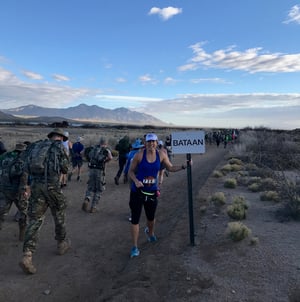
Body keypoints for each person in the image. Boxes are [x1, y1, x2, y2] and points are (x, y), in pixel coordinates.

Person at [128, 133, 189, 258]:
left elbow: (170, 168)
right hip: (137, 192)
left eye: (153, 142)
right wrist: (136, 181)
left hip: (152, 192)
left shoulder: (161, 155)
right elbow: (130, 171)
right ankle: (134, 247)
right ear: (145, 143)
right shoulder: (139, 155)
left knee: (151, 218)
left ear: (156, 143)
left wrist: (184, 166)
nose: (151, 144)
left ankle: (150, 233)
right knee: (135, 219)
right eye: (149, 142)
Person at [19, 128, 70, 274]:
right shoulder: (59, 147)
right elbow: (66, 169)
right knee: (59, 215)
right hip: (53, 188)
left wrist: (27, 186)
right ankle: (61, 243)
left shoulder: (36, 146)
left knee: (35, 220)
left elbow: (25, 167)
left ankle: (27, 256)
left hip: (36, 188)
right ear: (60, 137)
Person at [0, 143, 30, 241]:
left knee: (1, 213)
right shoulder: (23, 159)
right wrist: (24, 191)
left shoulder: (5, 157)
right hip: (18, 192)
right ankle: (22, 234)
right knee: (23, 213)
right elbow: (24, 177)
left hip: (4, 190)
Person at [82, 137, 112, 213]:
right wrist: (105, 161)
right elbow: (110, 158)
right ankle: (93, 207)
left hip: (91, 169)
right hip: (100, 171)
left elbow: (82, 153)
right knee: (98, 189)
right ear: (106, 143)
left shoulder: (93, 148)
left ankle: (87, 198)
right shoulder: (106, 150)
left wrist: (89, 160)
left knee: (90, 186)